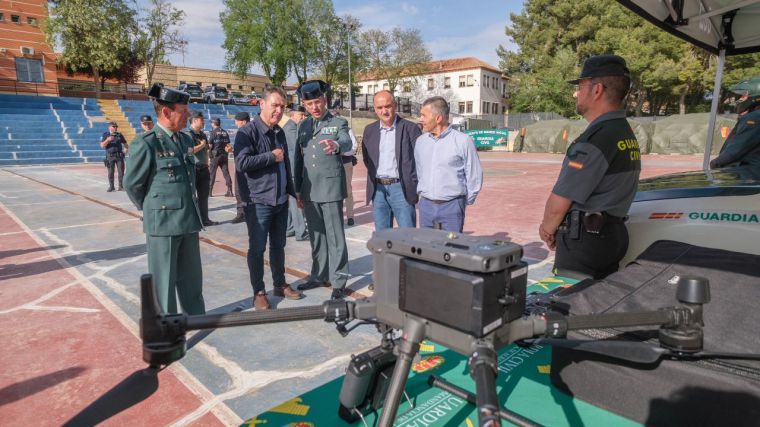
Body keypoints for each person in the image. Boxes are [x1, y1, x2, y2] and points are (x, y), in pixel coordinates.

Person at [538, 54, 641, 280]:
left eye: (581, 86)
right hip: (610, 235)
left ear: (597, 90)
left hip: (585, 243)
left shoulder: (596, 139)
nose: (576, 93)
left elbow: (559, 202)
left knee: (571, 306)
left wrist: (547, 230)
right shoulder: (622, 132)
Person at [123, 84, 206, 315]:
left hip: (188, 220)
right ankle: (169, 333)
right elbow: (132, 184)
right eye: (184, 110)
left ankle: (197, 319)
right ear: (167, 113)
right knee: (164, 284)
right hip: (163, 225)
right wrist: (152, 209)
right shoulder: (147, 142)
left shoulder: (185, 140)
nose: (188, 114)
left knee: (192, 280)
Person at [234, 87, 304, 310]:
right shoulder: (247, 133)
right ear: (261, 104)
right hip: (258, 201)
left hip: (280, 200)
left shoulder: (279, 132)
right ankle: (259, 291)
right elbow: (242, 163)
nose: (279, 110)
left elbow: (286, 165)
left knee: (279, 245)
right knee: (257, 248)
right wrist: (270, 157)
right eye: (275, 105)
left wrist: (294, 192)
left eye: (282, 106)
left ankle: (279, 283)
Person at [293, 80, 352, 299]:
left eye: (317, 102)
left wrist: (336, 145)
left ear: (324, 100)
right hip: (309, 190)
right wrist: (297, 189)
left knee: (335, 236)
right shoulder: (303, 126)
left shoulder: (338, 122)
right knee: (316, 236)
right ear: (305, 106)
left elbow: (346, 141)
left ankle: (339, 279)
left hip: (330, 188)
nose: (314, 108)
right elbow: (298, 160)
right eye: (310, 105)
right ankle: (319, 274)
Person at [414, 96, 483, 233]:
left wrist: (463, 202)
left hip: (452, 207)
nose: (420, 119)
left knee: (451, 250)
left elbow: (474, 174)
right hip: (426, 206)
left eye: (423, 115)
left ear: (438, 118)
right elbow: (419, 170)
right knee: (427, 248)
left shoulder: (463, 141)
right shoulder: (420, 142)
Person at [362, 90, 422, 230]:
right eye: (379, 108)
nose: (384, 111)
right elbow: (367, 159)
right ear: (375, 109)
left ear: (395, 106)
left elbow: (420, 160)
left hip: (401, 188)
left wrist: (413, 182)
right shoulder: (369, 130)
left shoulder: (410, 129)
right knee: (382, 236)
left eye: (387, 106)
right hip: (378, 190)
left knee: (407, 235)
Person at [710, 76, 760, 169]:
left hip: (750, 174)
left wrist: (715, 163)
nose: (739, 99)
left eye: (743, 96)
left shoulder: (755, 118)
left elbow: (736, 150)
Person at [184, 111, 217, 226]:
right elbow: (189, 151)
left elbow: (206, 150)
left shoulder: (202, 134)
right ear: (194, 120)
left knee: (203, 196)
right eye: (201, 120)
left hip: (203, 168)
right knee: (191, 196)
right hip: (194, 169)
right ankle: (192, 220)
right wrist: (201, 145)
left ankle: (205, 219)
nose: (203, 122)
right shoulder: (188, 134)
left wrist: (207, 162)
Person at [283, 104, 309, 241]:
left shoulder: (292, 126)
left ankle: (290, 228)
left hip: (292, 169)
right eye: (301, 115)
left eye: (304, 115)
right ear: (293, 114)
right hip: (294, 170)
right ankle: (301, 232)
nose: (304, 117)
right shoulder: (291, 128)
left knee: (293, 202)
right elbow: (298, 149)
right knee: (296, 201)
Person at [230, 111, 251, 224]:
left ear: (243, 121)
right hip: (247, 164)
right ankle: (245, 212)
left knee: (240, 191)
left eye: (237, 121)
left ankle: (241, 213)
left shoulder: (244, 132)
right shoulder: (252, 130)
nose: (235, 123)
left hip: (244, 166)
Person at [208, 117, 234, 197]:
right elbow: (228, 145)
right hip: (224, 155)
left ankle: (209, 192)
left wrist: (209, 156)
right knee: (226, 173)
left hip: (215, 155)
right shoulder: (225, 132)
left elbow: (210, 145)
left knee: (212, 174)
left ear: (213, 123)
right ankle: (230, 191)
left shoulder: (213, 132)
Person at [100, 121, 127, 192]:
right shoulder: (106, 135)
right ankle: (111, 187)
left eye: (116, 127)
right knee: (111, 172)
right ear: (109, 127)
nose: (115, 128)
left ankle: (121, 186)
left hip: (119, 156)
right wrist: (107, 140)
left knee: (121, 172)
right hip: (110, 156)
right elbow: (102, 145)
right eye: (114, 126)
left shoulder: (119, 135)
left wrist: (125, 151)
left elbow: (125, 144)